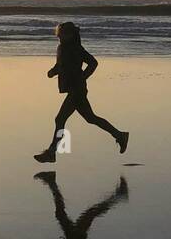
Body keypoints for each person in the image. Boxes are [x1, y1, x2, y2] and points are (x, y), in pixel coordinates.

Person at [33, 21, 128, 163]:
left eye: (63, 34)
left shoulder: (75, 48)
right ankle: (119, 135)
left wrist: (83, 76)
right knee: (91, 118)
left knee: (60, 119)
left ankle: (52, 152)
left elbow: (93, 62)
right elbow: (61, 65)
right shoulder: (63, 47)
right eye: (59, 33)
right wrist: (53, 71)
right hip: (75, 89)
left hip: (76, 90)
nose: (60, 36)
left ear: (71, 35)